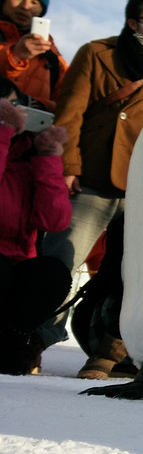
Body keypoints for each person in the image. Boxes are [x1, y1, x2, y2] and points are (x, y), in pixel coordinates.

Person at [35, 0, 143, 376]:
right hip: (91, 180)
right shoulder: (96, 53)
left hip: (142, 186)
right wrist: (68, 164)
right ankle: (31, 342)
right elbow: (71, 112)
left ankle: (111, 353)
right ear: (134, 22)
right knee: (59, 264)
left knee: (131, 276)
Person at [0, 82, 71, 374]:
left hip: (16, 263)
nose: (17, 114)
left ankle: (10, 344)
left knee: (51, 274)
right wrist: (3, 134)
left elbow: (54, 221)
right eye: (7, 106)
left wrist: (48, 159)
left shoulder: (28, 156)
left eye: (20, 106)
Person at [0, 0, 67, 112]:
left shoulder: (51, 54)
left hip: (27, 131)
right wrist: (14, 56)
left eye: (34, 2)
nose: (25, 6)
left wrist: (35, 105)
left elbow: (67, 101)